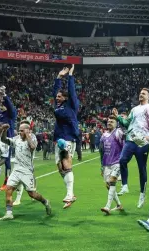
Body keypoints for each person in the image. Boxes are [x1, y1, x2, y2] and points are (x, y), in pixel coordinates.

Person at [113, 88, 149, 208]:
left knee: (141, 168)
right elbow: (127, 123)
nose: (141, 95)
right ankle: (124, 185)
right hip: (131, 139)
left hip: (143, 142)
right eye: (140, 93)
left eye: (143, 93)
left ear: (148, 97)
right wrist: (118, 117)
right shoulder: (134, 109)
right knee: (122, 160)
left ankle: (142, 195)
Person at [0, 123, 51, 220]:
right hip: (16, 170)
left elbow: (32, 147)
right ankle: (9, 213)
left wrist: (27, 136)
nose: (19, 132)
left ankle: (45, 202)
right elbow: (3, 140)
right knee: (8, 189)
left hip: (27, 171)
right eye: (19, 130)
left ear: (28, 130)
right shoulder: (16, 139)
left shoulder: (32, 138)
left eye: (22, 130)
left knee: (32, 194)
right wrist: (4, 131)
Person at [53, 65, 79, 209]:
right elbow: (53, 93)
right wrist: (58, 76)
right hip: (58, 138)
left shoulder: (71, 105)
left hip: (68, 137)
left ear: (65, 98)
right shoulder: (57, 107)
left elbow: (72, 91)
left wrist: (69, 76)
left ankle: (69, 194)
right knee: (60, 168)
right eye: (56, 96)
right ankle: (71, 194)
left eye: (59, 96)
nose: (57, 98)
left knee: (66, 164)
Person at [100, 116, 125, 215]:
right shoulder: (104, 135)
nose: (109, 123)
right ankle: (119, 205)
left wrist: (123, 161)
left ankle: (107, 207)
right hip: (106, 164)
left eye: (112, 121)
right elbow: (101, 151)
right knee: (108, 185)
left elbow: (124, 146)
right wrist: (101, 165)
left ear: (116, 123)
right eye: (108, 121)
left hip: (117, 162)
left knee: (112, 182)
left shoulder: (118, 132)